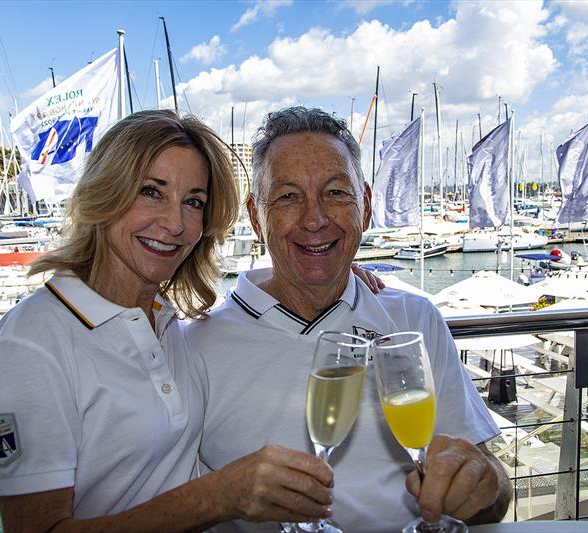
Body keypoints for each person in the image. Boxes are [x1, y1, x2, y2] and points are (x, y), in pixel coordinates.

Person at [0, 110, 344, 532]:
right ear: (104, 192)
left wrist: (341, 279)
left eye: (193, 202)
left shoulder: (166, 323)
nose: (174, 223)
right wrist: (217, 497)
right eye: (151, 191)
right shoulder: (31, 343)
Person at [185, 107, 512, 532]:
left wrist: (484, 485)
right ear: (255, 217)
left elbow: (495, 491)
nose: (315, 219)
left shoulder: (414, 318)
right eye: (287, 197)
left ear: (366, 207)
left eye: (336, 193)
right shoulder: (195, 344)